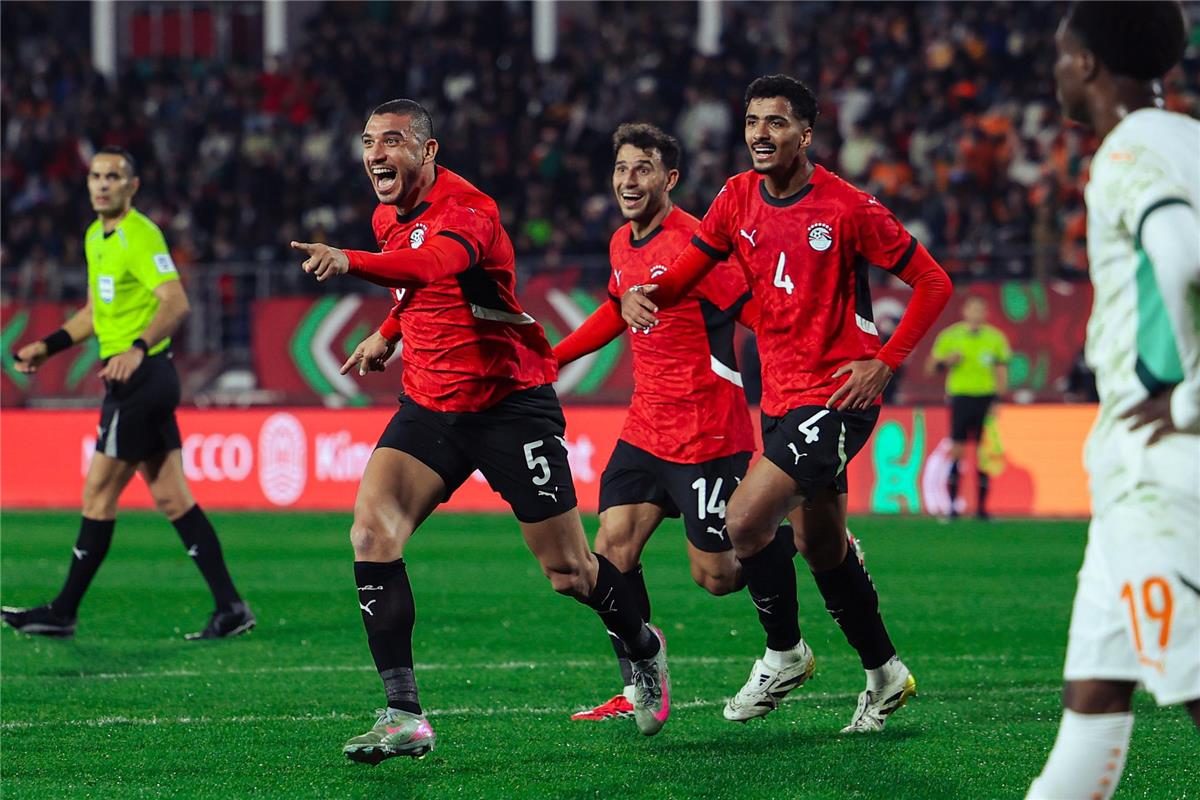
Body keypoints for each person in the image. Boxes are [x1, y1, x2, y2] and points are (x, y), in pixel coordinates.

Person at [288, 99, 670, 763]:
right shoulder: (386, 215)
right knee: (371, 534)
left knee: (570, 572)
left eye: (393, 141)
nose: (376, 154)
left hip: (509, 404)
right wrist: (387, 334)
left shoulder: (470, 211)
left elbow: (432, 266)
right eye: (369, 141)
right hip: (430, 406)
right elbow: (416, 292)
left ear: (428, 151)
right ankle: (404, 715)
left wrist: (349, 261)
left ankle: (643, 646)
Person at [621, 75, 952, 732]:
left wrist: (885, 363)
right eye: (752, 122)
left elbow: (933, 281)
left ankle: (785, 653)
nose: (760, 134)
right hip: (779, 397)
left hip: (838, 395)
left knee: (744, 522)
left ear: (806, 133)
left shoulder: (848, 208)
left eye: (775, 122)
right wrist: (645, 295)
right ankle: (885, 672)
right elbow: (689, 272)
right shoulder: (736, 197)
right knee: (822, 547)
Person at [555, 122, 828, 722]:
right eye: (621, 168)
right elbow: (616, 310)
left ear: (669, 178)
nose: (629, 180)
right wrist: (554, 359)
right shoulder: (621, 243)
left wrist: (809, 365)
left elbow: (758, 312)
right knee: (610, 550)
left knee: (718, 576)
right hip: (645, 427)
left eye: (643, 168)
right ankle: (640, 683)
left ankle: (796, 538)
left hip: (707, 432)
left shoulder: (696, 245)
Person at [1028, 3, 1199, 797]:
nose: (1057, 71)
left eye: (1063, 56)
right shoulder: (1188, 140)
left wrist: (1189, 398)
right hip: (1135, 483)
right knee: (1092, 705)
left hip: (1156, 470)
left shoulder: (1128, 151)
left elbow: (1184, 257)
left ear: (1087, 63)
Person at [2, 147, 254, 641]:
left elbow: (175, 301)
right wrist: (47, 346)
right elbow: (94, 313)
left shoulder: (141, 235)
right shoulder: (95, 237)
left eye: (113, 176)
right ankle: (231, 607)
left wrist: (137, 348)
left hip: (142, 380)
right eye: (96, 176)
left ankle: (63, 611)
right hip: (139, 380)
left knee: (98, 493)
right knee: (173, 498)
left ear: (131, 186)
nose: (102, 184)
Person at [925, 295, 1011, 520]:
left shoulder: (995, 338)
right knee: (958, 450)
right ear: (965, 311)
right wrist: (947, 361)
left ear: (985, 313)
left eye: (980, 310)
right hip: (960, 397)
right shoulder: (951, 336)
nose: (976, 314)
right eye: (972, 309)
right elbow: (930, 368)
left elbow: (1001, 372)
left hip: (986, 398)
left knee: (984, 454)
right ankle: (953, 508)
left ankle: (982, 509)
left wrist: (998, 400)